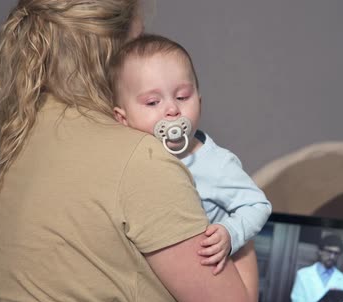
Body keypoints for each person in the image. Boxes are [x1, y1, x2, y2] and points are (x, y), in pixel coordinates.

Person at [0, 1, 259, 302]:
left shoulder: (16, 132)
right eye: (138, 41)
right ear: (110, 54)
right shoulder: (141, 159)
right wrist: (237, 217)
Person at [108, 34, 272, 275]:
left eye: (183, 97)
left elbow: (258, 205)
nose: (173, 109)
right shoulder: (124, 161)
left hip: (202, 275)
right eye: (153, 102)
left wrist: (230, 233)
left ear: (199, 102)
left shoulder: (216, 163)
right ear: (122, 118)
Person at [291, 234, 343, 302]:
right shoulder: (303, 274)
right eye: (329, 252)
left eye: (336, 253)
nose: (332, 257)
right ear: (320, 251)